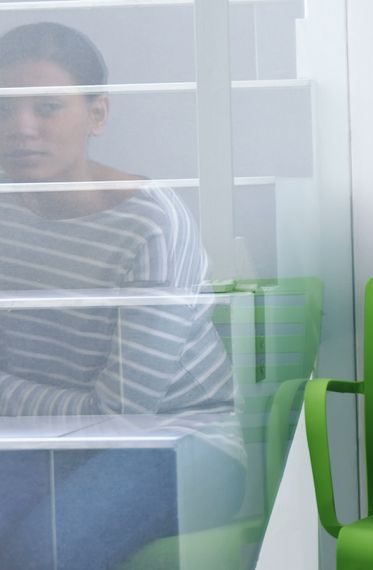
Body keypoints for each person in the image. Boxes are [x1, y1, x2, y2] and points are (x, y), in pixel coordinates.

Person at [0, 22, 243, 569]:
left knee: (46, 550)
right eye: (4, 108)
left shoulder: (149, 220)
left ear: (97, 116)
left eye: (45, 108)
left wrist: (10, 394)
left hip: (176, 440)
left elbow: (122, 416)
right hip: (34, 440)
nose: (20, 128)